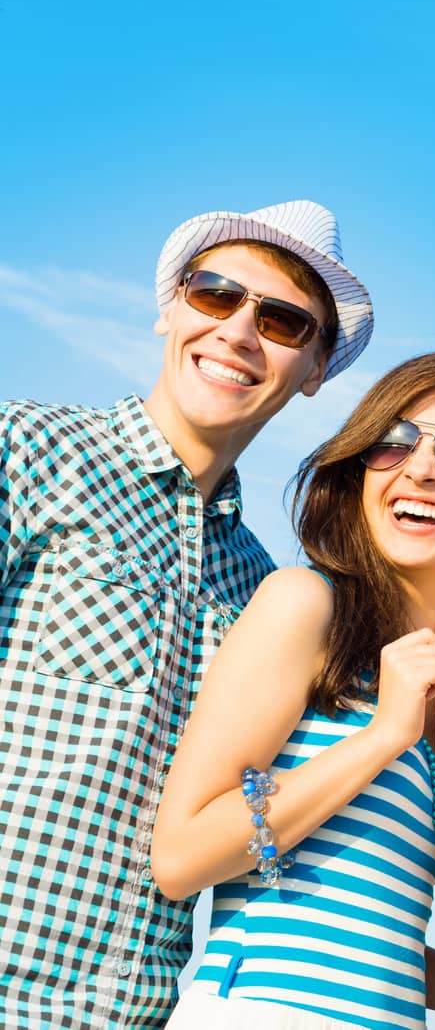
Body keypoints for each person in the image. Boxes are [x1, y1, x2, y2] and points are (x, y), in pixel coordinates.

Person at [0, 200, 373, 1028]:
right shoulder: (27, 452)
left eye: (281, 320)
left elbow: (251, 833)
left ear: (314, 368)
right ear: (170, 308)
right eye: (216, 296)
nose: (240, 332)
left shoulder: (266, 592)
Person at [152, 349, 435, 1029]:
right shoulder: (306, 606)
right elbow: (181, 857)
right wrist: (382, 736)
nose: (420, 469)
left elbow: (371, 929)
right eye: (392, 444)